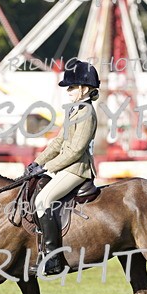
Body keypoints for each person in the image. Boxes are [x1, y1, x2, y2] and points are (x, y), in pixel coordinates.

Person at [24, 60, 99, 276]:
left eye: (73, 87)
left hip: (77, 169)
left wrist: (48, 168)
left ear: (85, 88)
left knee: (42, 200)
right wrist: (37, 162)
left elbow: (76, 150)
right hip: (65, 167)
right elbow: (58, 142)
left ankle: (53, 259)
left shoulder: (87, 114)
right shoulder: (73, 111)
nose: (69, 91)